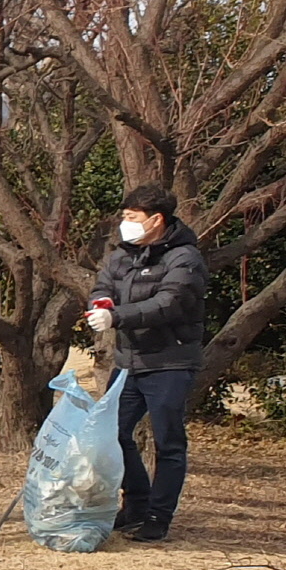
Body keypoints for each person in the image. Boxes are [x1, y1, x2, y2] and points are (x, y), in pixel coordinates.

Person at [88, 185, 209, 542]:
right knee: (111, 433)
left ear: (156, 220)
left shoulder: (185, 258)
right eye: (124, 217)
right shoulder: (121, 255)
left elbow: (169, 304)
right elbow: (102, 285)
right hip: (128, 362)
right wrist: (102, 303)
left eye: (131, 218)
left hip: (170, 361)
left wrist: (118, 317)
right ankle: (136, 503)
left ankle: (159, 515)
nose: (124, 224)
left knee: (168, 442)